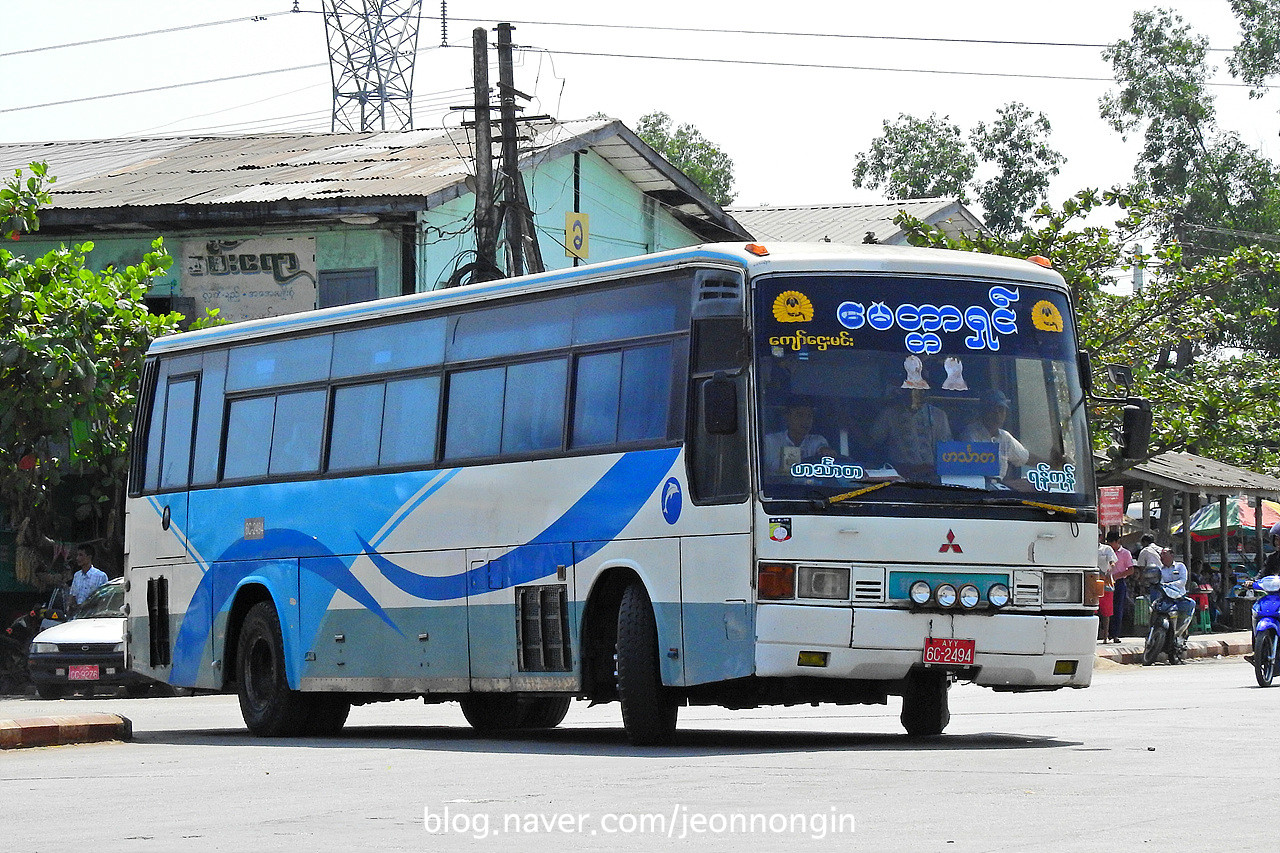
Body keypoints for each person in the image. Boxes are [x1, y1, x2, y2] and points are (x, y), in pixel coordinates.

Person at [868, 386, 951, 479]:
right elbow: (871, 443)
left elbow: (946, 452)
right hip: (900, 477)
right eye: (911, 388)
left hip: (931, 477)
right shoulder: (889, 414)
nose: (915, 392)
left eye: (920, 388)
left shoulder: (939, 415)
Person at [962, 389, 1030, 480]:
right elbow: (978, 474)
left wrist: (1050, 464)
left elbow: (1025, 457)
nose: (997, 415)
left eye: (1001, 410)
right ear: (983, 412)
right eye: (993, 410)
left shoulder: (1005, 436)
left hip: (998, 490)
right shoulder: (970, 435)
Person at [763, 396, 833, 476]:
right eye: (800, 415)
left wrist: (825, 451)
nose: (805, 420)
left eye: (809, 416)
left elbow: (822, 447)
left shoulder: (817, 440)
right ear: (787, 417)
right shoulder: (770, 441)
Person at [1153, 548, 1196, 640]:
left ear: (1172, 555)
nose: (1162, 556)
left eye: (1164, 554)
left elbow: (1182, 581)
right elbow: (1159, 582)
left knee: (1191, 604)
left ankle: (1181, 630)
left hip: (1179, 598)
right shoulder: (1160, 570)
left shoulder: (1180, 567)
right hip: (1165, 599)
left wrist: (1169, 585)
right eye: (1161, 554)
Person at [1107, 531, 1133, 643]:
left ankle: (1115, 634)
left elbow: (1131, 570)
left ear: (1117, 542)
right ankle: (1106, 633)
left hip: (1119, 582)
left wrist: (1117, 575)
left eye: (1112, 543)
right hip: (1106, 582)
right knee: (1107, 608)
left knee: (1118, 608)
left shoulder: (1125, 553)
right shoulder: (1105, 552)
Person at [1097, 529, 1116, 641]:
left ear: (1100, 537)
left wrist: (1111, 565)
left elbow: (1112, 560)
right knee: (1092, 610)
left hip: (1105, 581)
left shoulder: (1106, 549)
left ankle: (1105, 636)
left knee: (1106, 611)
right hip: (1091, 581)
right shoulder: (1087, 548)